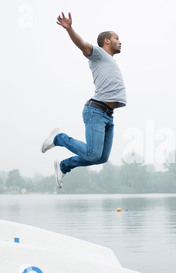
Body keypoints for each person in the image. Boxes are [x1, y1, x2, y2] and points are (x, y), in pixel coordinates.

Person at [41, 12, 126, 188]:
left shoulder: (109, 60)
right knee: (93, 153)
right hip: (96, 111)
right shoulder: (99, 54)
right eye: (116, 38)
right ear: (106, 41)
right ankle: (59, 138)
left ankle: (64, 166)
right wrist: (69, 29)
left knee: (101, 157)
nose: (120, 41)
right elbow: (83, 45)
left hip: (108, 116)